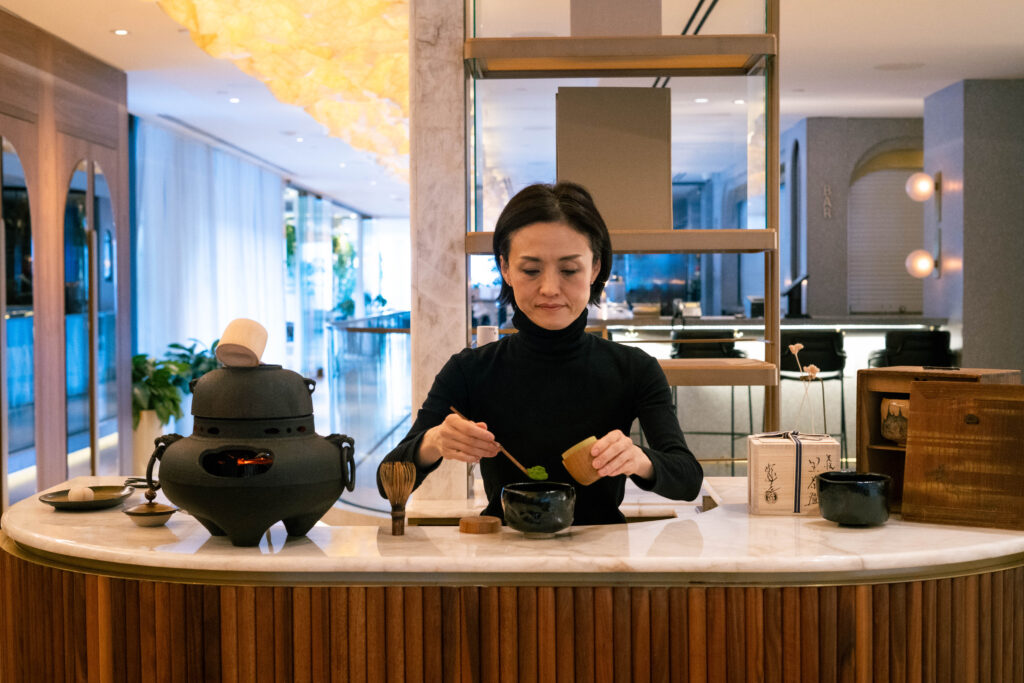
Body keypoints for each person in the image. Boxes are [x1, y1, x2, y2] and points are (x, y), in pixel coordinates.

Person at [377, 182, 703, 524]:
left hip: (604, 561)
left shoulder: (634, 369)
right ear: (505, 268)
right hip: (503, 557)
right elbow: (388, 480)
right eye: (531, 270)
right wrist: (434, 441)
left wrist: (638, 459)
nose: (549, 288)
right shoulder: (468, 370)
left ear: (595, 268)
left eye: (569, 270)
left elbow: (687, 479)